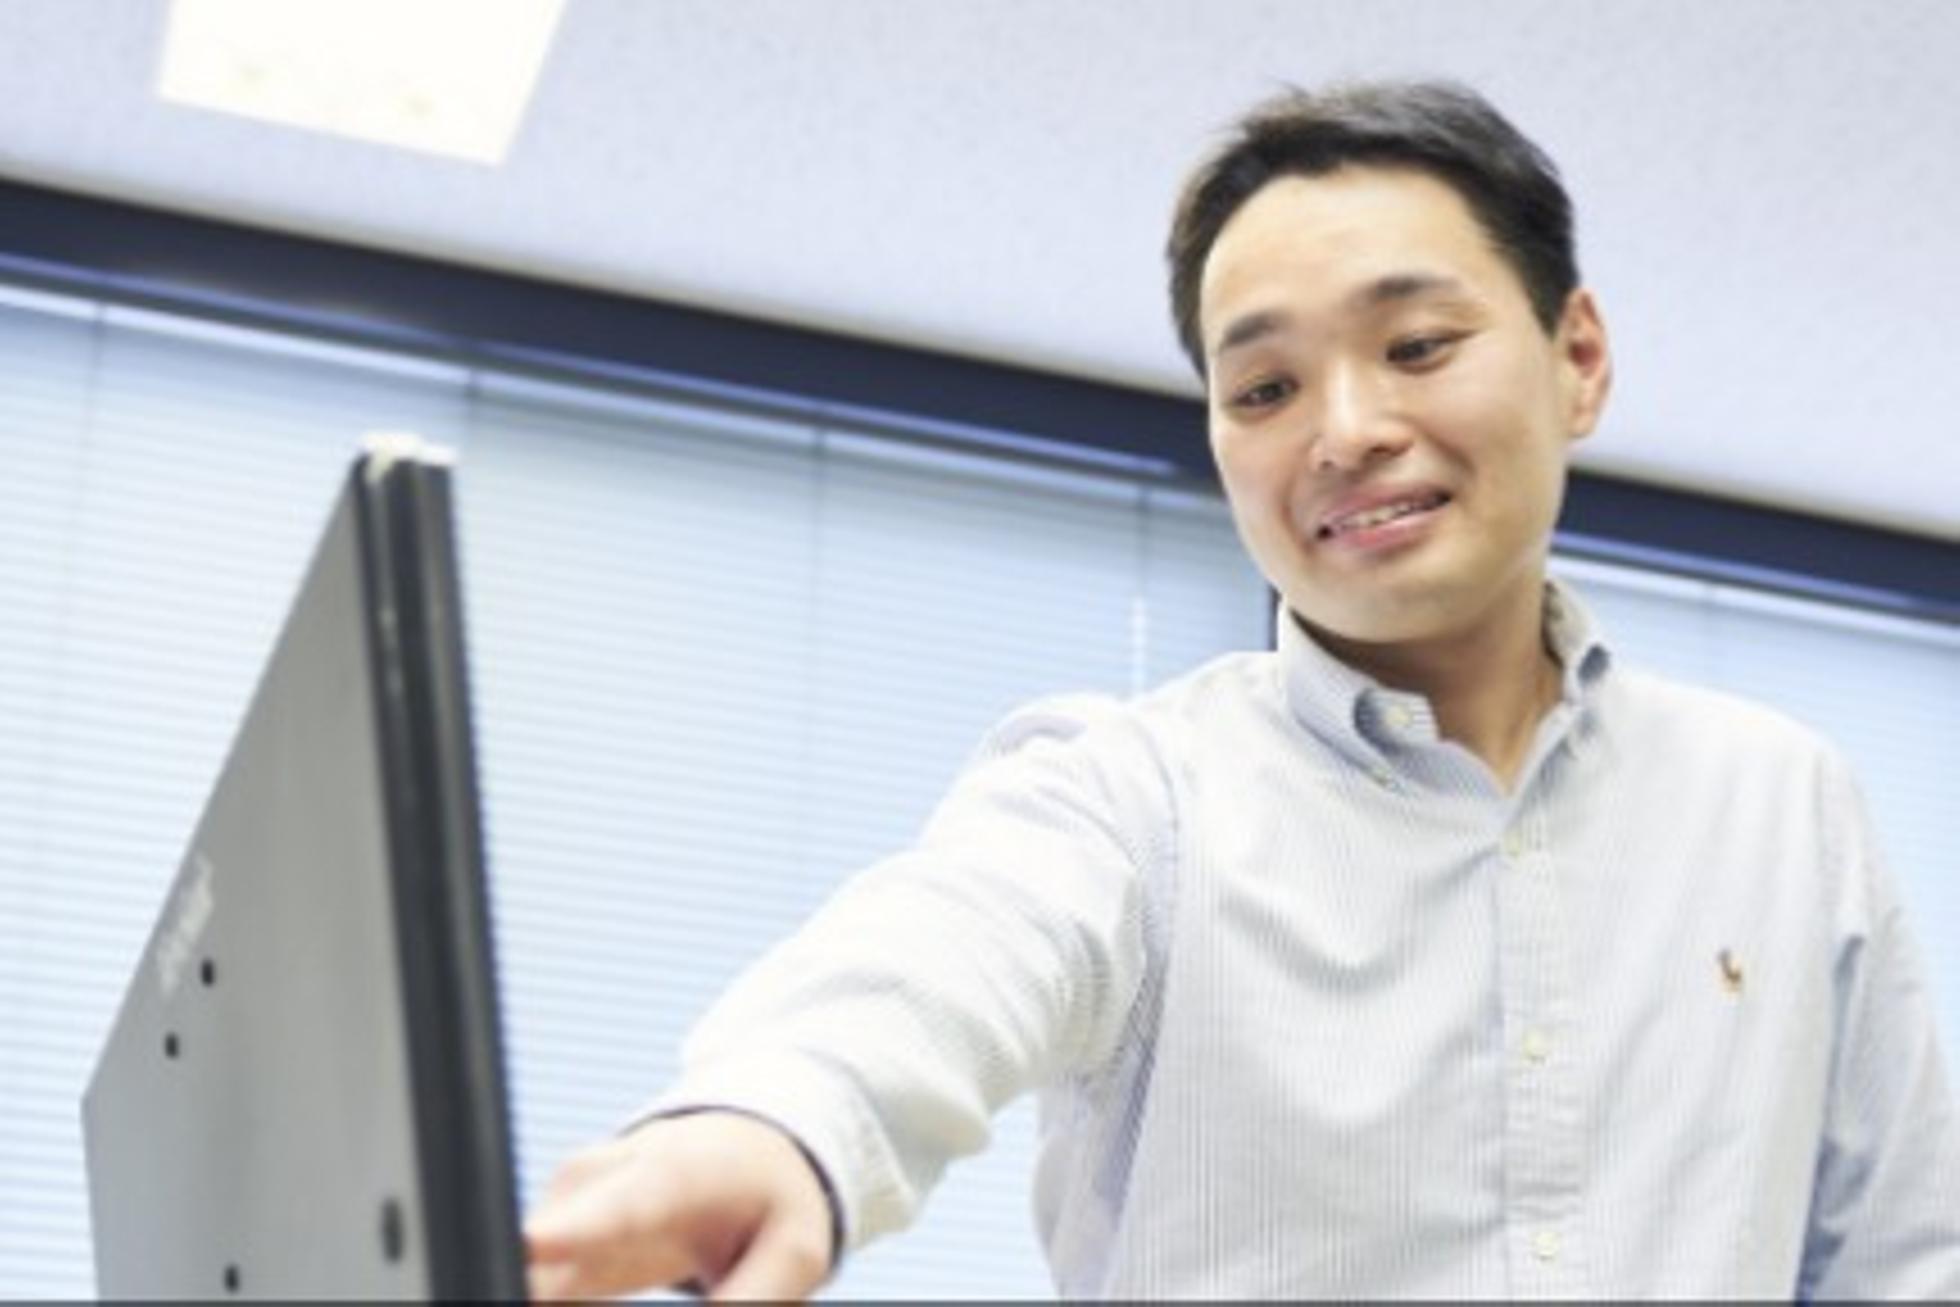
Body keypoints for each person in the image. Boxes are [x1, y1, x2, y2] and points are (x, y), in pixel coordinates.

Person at [523, 80, 1960, 1300]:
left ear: (1576, 359)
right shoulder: (1130, 796)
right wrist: (776, 1127)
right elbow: (939, 959)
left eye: (1416, 347)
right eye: (1265, 389)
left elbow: (1905, 1259)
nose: (1347, 432)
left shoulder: (1781, 802)